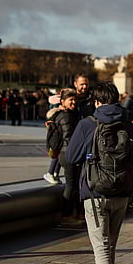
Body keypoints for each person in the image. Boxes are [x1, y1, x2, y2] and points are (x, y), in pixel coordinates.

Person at [66, 82, 133, 264]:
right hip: (122, 194)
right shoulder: (130, 126)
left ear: (96, 102)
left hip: (95, 194)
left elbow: (70, 157)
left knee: (101, 248)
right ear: (117, 100)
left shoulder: (88, 123)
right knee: (109, 248)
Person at [54, 89, 82, 227]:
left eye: (74, 99)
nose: (73, 102)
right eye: (70, 99)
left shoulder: (67, 114)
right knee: (71, 185)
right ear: (63, 101)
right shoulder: (66, 117)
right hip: (68, 153)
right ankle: (66, 215)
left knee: (74, 184)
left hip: (67, 153)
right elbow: (69, 137)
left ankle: (74, 213)